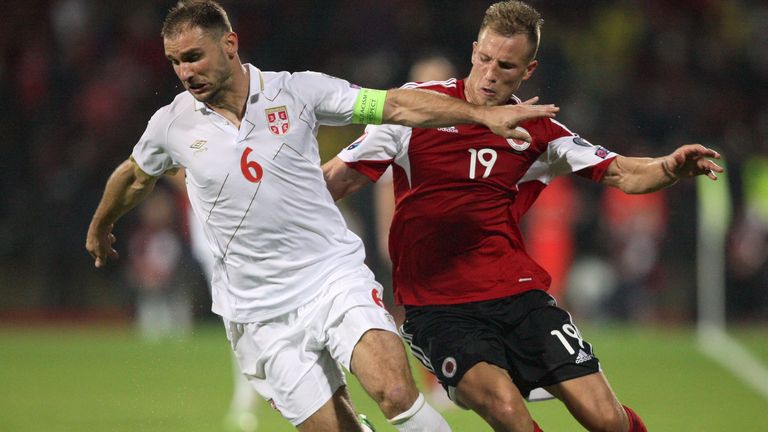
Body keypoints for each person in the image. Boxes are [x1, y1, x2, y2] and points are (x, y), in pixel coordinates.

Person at [84, 1, 558, 431]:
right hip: (258, 312)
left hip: (330, 277)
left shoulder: (298, 92)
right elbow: (133, 176)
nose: (185, 73)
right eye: (175, 62)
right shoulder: (172, 124)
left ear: (229, 44)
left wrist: (480, 116)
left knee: (395, 392)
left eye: (194, 57)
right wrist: (102, 224)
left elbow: (392, 104)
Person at [322, 1, 723, 431]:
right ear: (474, 50)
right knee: (509, 413)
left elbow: (622, 172)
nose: (491, 74)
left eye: (507, 66)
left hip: (518, 297)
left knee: (608, 420)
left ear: (528, 71)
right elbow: (336, 180)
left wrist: (668, 168)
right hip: (439, 309)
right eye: (485, 59)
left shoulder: (538, 131)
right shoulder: (416, 109)